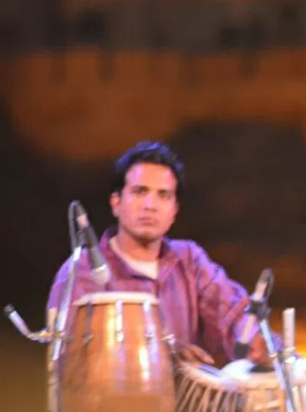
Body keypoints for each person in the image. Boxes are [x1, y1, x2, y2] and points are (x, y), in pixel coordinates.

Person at [47, 141, 276, 369]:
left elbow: (231, 313)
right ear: (116, 203)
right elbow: (73, 363)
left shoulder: (189, 260)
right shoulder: (83, 271)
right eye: (139, 192)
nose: (150, 205)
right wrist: (162, 352)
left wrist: (255, 339)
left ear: (174, 210)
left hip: (186, 406)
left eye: (163, 195)